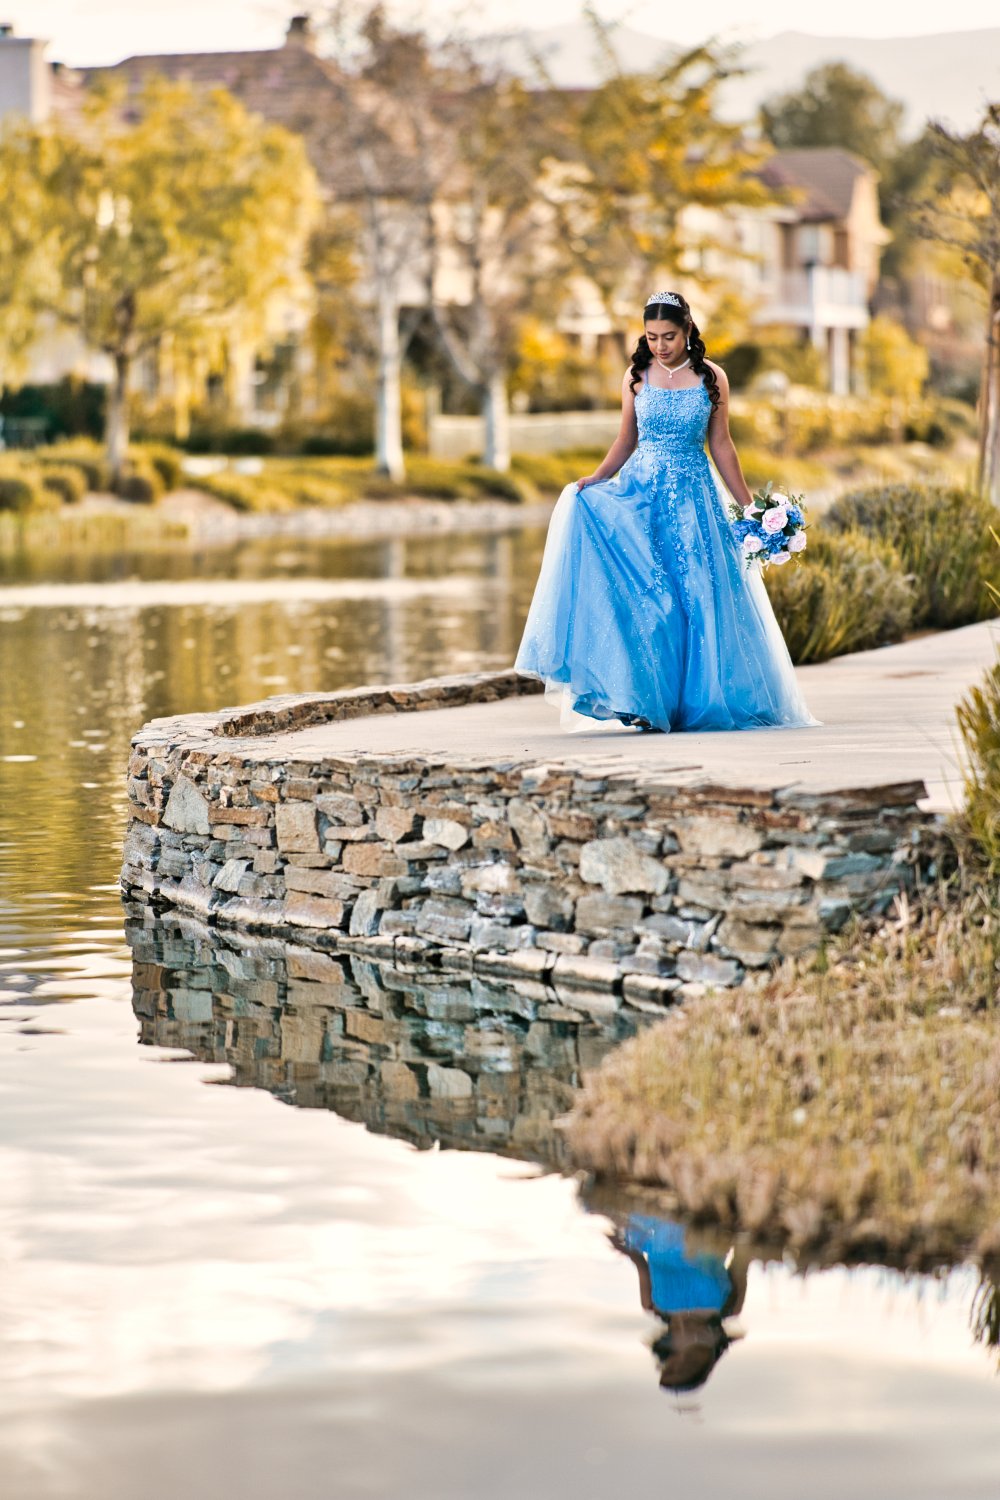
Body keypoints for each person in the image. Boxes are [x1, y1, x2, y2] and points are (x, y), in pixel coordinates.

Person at [515, 291, 816, 733]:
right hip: (641, 497)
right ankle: (644, 700)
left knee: (699, 598)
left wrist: (749, 506)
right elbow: (626, 439)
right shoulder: (636, 376)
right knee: (650, 600)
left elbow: (722, 445)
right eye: (652, 336)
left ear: (688, 329)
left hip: (696, 501)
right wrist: (596, 479)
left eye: (669, 336)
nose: (660, 345)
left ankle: (697, 702)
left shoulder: (712, 377)